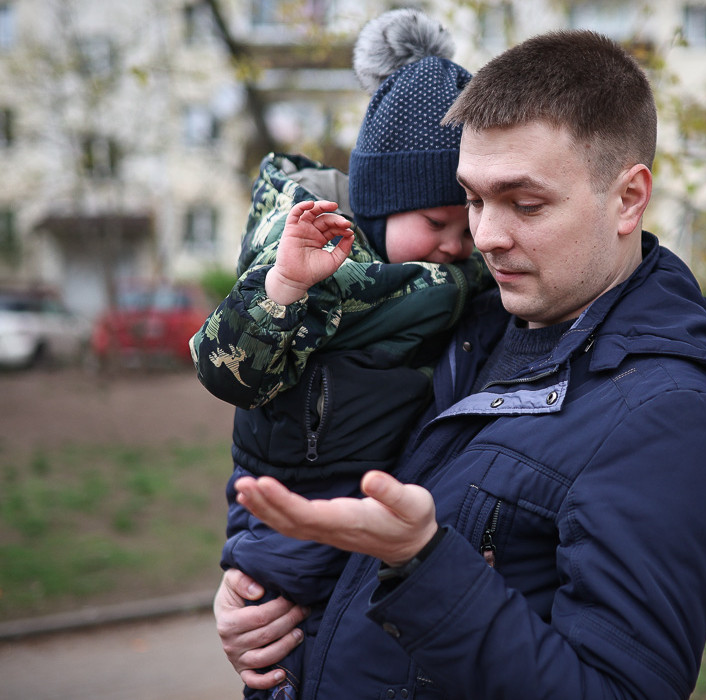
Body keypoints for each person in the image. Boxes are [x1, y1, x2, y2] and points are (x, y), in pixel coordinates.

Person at [217, 29, 706, 699]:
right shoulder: (464, 320)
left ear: (628, 198)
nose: (483, 237)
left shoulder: (672, 417)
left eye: (526, 204)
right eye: (473, 201)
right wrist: (255, 584)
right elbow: (308, 433)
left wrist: (421, 564)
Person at [189, 9, 487, 698]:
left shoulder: (465, 281)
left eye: (466, 225)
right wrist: (285, 287)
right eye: (437, 223)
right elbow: (222, 367)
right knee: (282, 650)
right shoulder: (317, 263)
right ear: (381, 206)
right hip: (289, 506)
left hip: (370, 513)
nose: (455, 245)